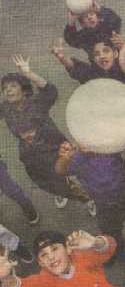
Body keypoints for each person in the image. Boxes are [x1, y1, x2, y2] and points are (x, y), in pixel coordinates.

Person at [55, 141, 125, 264]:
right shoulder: (77, 158)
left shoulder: (110, 145)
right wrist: (66, 156)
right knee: (111, 233)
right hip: (105, 203)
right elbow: (60, 170)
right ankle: (115, 251)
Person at [2, 55, 87, 208]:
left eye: (13, 86)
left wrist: (28, 73)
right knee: (47, 183)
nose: (7, 91)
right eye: (5, 88)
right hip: (32, 157)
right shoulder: (6, 108)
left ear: (23, 89)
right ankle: (62, 192)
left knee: (73, 176)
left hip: (55, 149)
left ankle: (88, 199)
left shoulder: (36, 104)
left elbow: (51, 91)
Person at [51, 36, 125, 111]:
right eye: (97, 54)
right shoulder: (93, 74)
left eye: (106, 51)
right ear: (94, 59)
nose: (102, 56)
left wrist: (124, 49)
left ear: (115, 53)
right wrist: (62, 57)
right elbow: (75, 67)